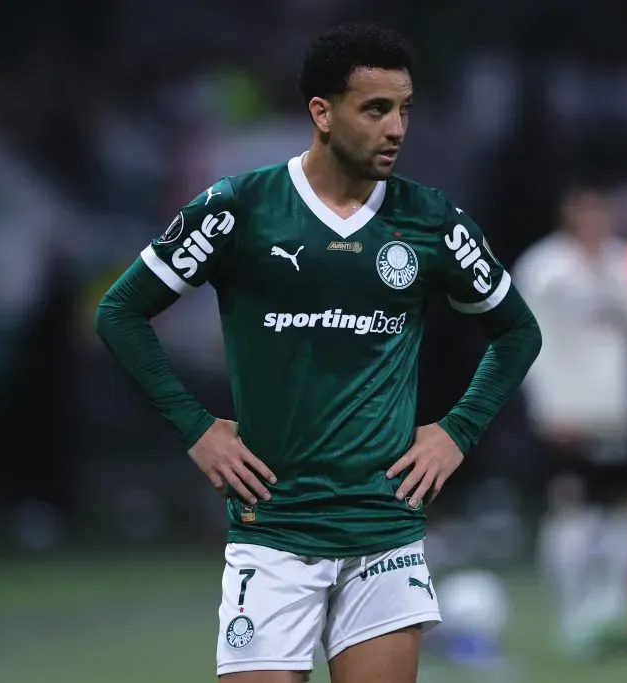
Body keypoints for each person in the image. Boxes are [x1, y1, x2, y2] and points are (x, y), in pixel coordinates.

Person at [94, 23, 541, 683]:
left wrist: (456, 431)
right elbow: (120, 312)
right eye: (376, 108)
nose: (396, 128)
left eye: (405, 108)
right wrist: (197, 429)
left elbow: (518, 332)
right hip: (273, 529)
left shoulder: (431, 221)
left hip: (383, 530)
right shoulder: (239, 209)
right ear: (322, 113)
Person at [516, 182, 627, 654]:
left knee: (623, 514)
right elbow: (522, 341)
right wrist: (547, 407)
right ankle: (570, 617)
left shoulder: (623, 262)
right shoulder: (544, 268)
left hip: (615, 410)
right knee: (570, 512)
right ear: (569, 213)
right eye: (587, 210)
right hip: (565, 413)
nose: (597, 220)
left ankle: (606, 608)